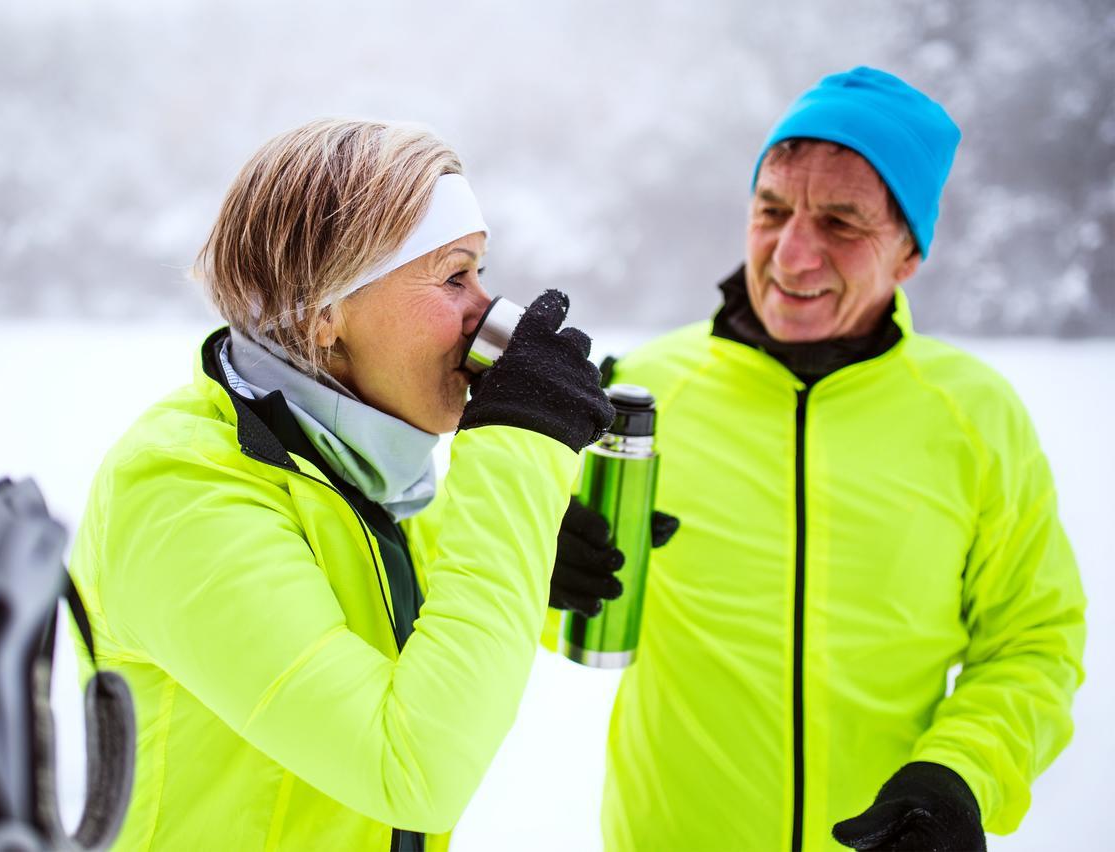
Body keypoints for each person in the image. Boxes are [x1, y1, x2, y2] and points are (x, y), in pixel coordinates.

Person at [550, 67, 1086, 850]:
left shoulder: (974, 417)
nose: (792, 256)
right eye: (772, 211)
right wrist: (539, 559)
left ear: (909, 252)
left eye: (841, 223)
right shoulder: (640, 391)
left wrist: (962, 775)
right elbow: (511, 595)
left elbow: (1033, 641)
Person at [67, 118, 614, 850]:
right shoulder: (180, 493)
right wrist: (515, 455)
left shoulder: (357, 467)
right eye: (455, 276)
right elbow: (413, 772)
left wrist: (528, 551)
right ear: (324, 311)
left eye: (481, 272)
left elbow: (391, 618)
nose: (487, 311)